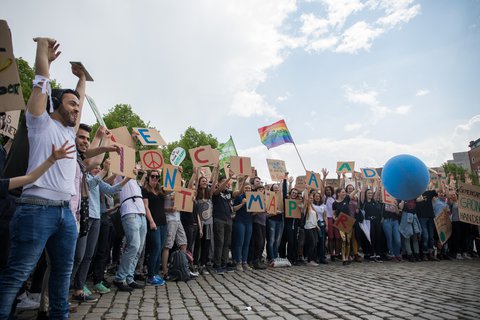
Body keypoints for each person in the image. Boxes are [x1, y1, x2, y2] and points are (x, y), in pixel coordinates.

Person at [0, 37, 84, 319]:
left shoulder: (69, 134)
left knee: (62, 275)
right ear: (55, 103)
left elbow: (79, 102)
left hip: (65, 216)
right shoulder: (39, 122)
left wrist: (82, 80)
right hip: (36, 209)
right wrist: (42, 54)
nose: (76, 108)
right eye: (70, 104)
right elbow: (40, 82)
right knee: (17, 274)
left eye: (77, 105)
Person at [113, 169, 147, 292]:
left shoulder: (134, 181)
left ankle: (129, 277)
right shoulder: (120, 175)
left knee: (139, 248)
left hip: (141, 213)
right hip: (130, 211)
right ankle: (119, 277)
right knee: (133, 245)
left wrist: (142, 172)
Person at [142, 170, 167, 285]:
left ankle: (156, 273)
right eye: (153, 176)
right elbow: (146, 207)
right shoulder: (145, 190)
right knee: (155, 248)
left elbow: (174, 187)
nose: (155, 178)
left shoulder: (160, 190)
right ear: (148, 177)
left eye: (157, 177)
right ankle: (151, 275)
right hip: (153, 223)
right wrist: (151, 222)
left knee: (160, 248)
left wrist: (177, 172)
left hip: (163, 223)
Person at [232, 177, 252, 271]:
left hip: (249, 221)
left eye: (249, 188)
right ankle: (238, 262)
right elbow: (234, 209)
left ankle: (245, 262)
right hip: (239, 221)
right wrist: (242, 204)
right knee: (239, 242)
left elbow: (253, 212)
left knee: (246, 243)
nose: (248, 190)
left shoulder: (253, 197)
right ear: (243, 188)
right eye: (246, 188)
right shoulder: (239, 196)